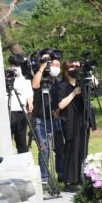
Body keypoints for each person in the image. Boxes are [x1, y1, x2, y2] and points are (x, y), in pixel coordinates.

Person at [57, 60, 98, 193]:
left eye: (77, 66)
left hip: (83, 119)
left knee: (83, 148)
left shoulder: (82, 82)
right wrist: (74, 93)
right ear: (65, 70)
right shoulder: (61, 85)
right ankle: (69, 181)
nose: (75, 69)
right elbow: (61, 105)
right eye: (72, 67)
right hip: (70, 121)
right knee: (71, 150)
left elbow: (97, 86)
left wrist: (89, 73)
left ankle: (81, 177)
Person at [31, 52, 62, 186]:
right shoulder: (42, 78)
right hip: (40, 120)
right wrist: (42, 67)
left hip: (55, 119)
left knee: (59, 148)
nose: (55, 67)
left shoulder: (59, 82)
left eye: (58, 65)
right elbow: (34, 85)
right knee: (44, 149)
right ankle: (44, 178)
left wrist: (59, 110)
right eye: (53, 65)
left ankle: (62, 175)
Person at [8, 54, 34, 153]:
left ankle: (23, 158)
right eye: (14, 65)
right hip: (9, 111)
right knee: (7, 139)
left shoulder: (25, 80)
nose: (16, 67)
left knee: (22, 140)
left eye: (18, 65)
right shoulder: (6, 77)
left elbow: (29, 94)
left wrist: (30, 103)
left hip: (22, 112)